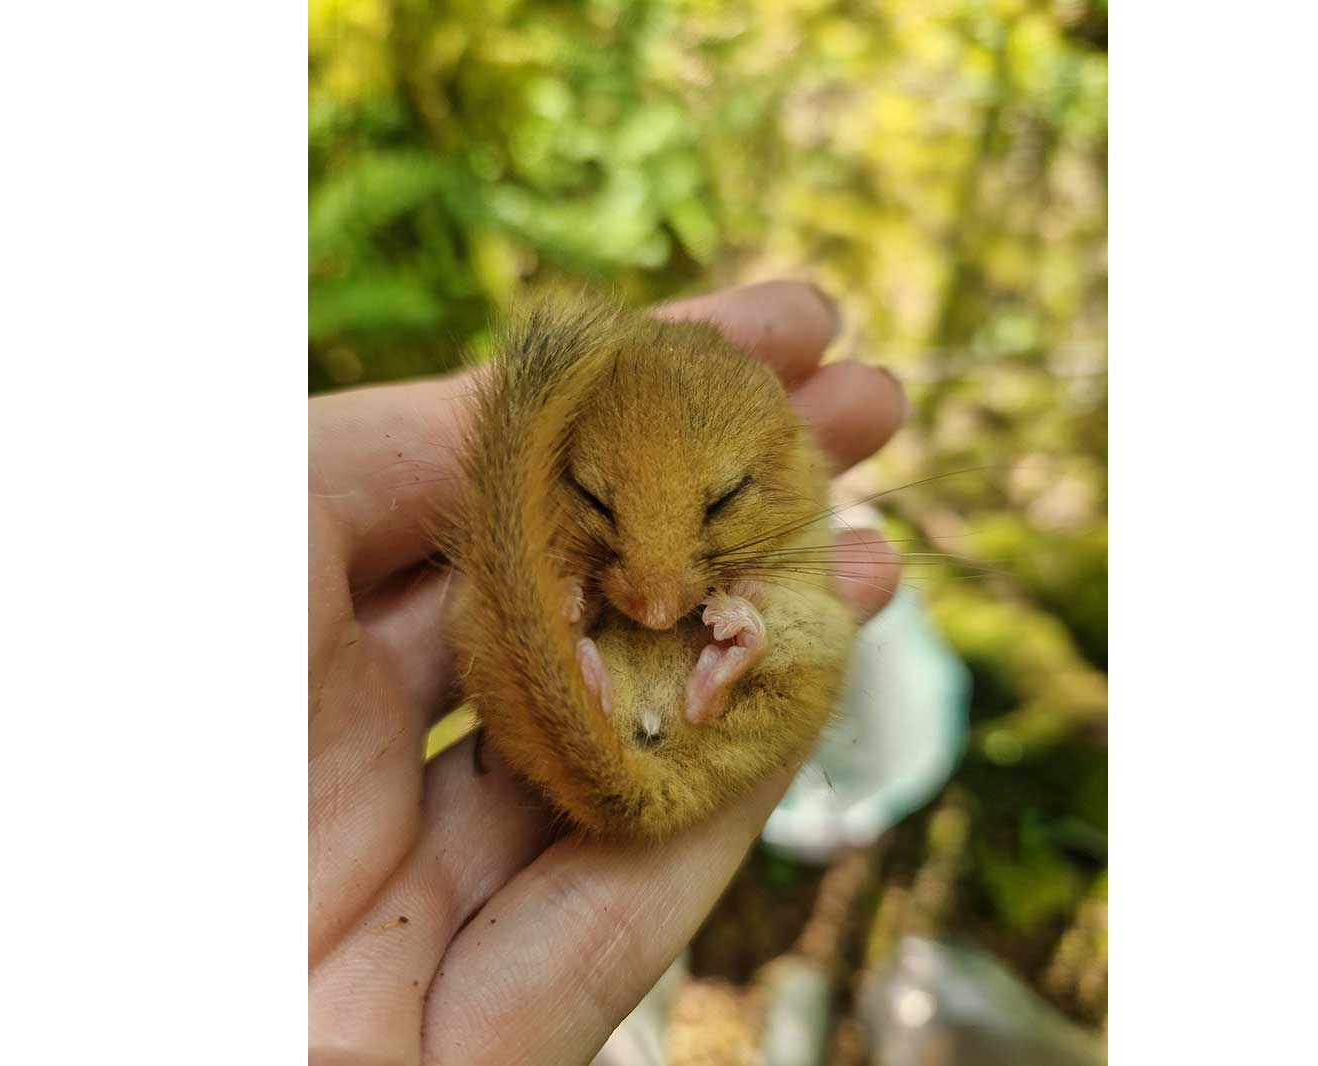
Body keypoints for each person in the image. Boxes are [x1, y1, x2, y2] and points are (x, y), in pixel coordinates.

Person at [309, 281, 905, 1064]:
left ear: (779, 451)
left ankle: (706, 659)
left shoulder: (790, 468)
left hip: (708, 747)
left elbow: (791, 574)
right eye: (593, 498)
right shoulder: (546, 486)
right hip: (611, 714)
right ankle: (615, 669)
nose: (657, 603)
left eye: (723, 503)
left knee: (812, 623)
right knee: (486, 609)